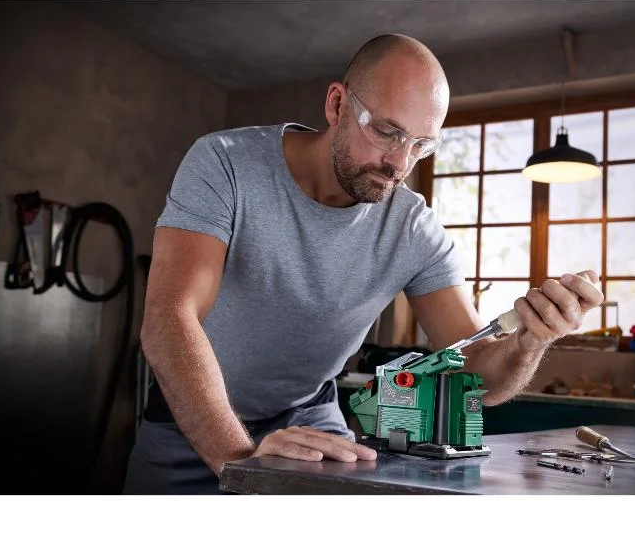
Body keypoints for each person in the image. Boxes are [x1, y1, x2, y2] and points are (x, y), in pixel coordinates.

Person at [122, 33, 604, 494]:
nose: (400, 163)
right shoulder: (225, 163)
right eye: (387, 132)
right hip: (190, 420)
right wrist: (242, 461)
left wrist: (528, 342)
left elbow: (474, 369)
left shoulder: (414, 229)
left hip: (310, 419)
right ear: (337, 105)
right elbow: (169, 320)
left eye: (421, 145)